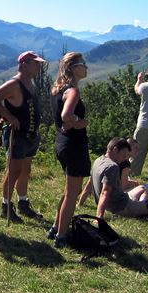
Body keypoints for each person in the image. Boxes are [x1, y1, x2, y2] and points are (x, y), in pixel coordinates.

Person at [0, 51, 46, 222]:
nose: (38, 66)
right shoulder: (15, 83)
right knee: (14, 171)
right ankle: (5, 206)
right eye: (35, 63)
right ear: (24, 64)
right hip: (16, 134)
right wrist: (9, 116)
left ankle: (23, 203)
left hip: (30, 134)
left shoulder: (30, 83)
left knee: (25, 170)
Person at [47, 52, 90, 248]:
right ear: (73, 68)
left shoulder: (57, 89)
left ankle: (56, 227)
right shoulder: (72, 91)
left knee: (69, 190)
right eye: (83, 64)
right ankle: (62, 236)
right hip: (74, 145)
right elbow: (66, 116)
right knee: (73, 193)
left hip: (62, 143)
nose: (86, 67)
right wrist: (80, 122)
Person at [92, 138, 148, 219]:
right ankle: (145, 214)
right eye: (123, 156)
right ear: (115, 150)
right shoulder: (112, 166)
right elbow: (104, 192)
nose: (124, 159)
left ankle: (146, 207)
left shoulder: (98, 161)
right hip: (123, 208)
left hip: (118, 202)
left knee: (142, 189)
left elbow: (91, 185)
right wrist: (99, 217)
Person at [78, 137, 148, 207]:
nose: (138, 150)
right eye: (135, 148)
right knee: (146, 188)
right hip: (115, 201)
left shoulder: (100, 161)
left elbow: (89, 184)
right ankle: (142, 206)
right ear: (128, 149)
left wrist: (80, 203)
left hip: (100, 197)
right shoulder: (122, 163)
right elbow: (123, 185)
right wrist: (137, 183)